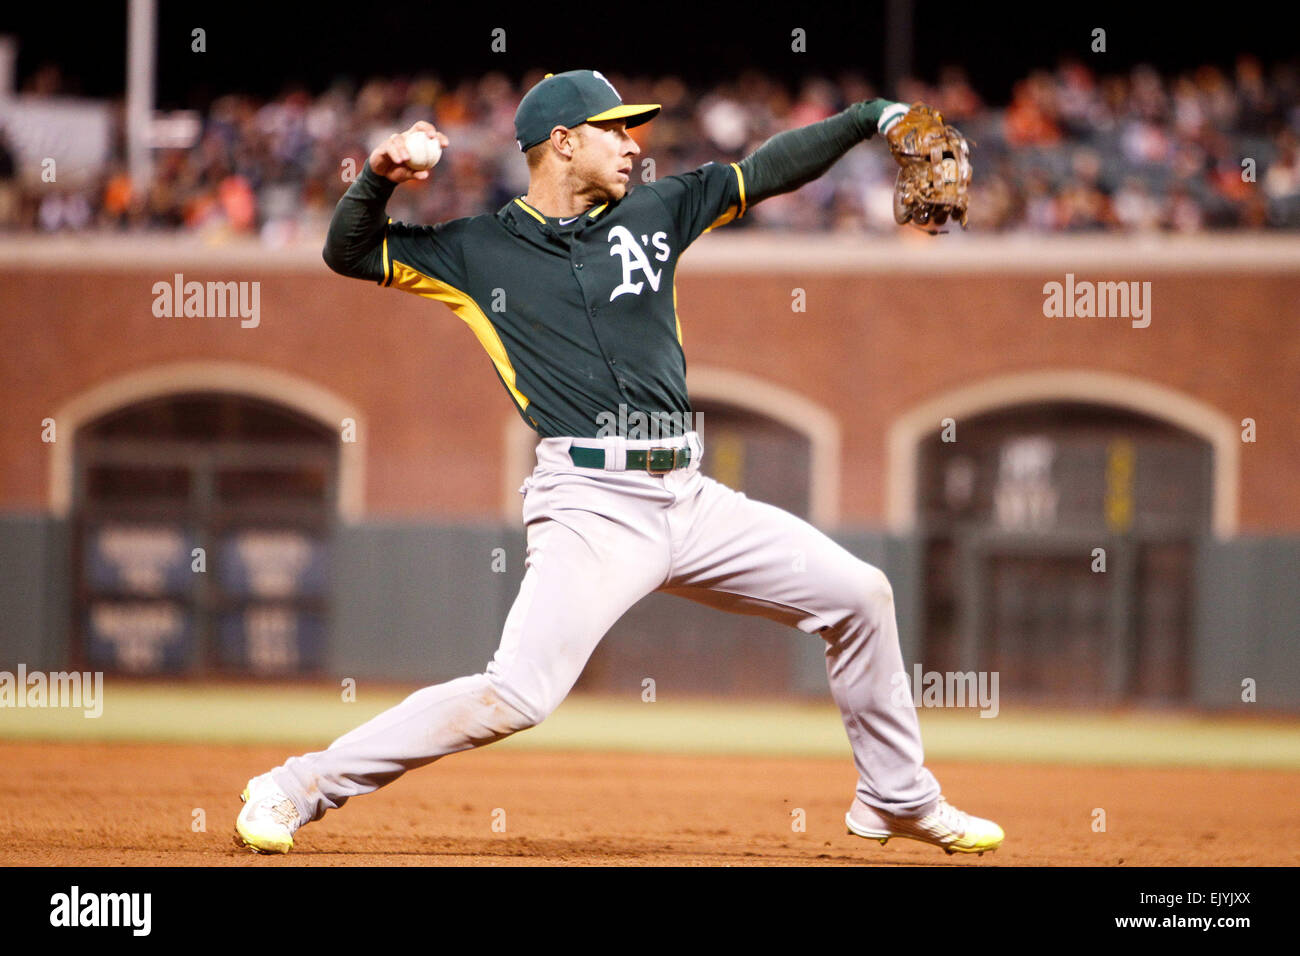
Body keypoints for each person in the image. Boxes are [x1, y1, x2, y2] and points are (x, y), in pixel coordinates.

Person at [235, 69, 1004, 858]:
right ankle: (293, 787)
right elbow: (347, 252)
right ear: (563, 143)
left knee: (861, 595)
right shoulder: (477, 251)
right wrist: (381, 175)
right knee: (516, 695)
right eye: (615, 129)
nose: (634, 145)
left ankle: (898, 796)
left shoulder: (659, 209)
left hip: (690, 497)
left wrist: (871, 117)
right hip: (591, 505)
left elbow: (769, 169)